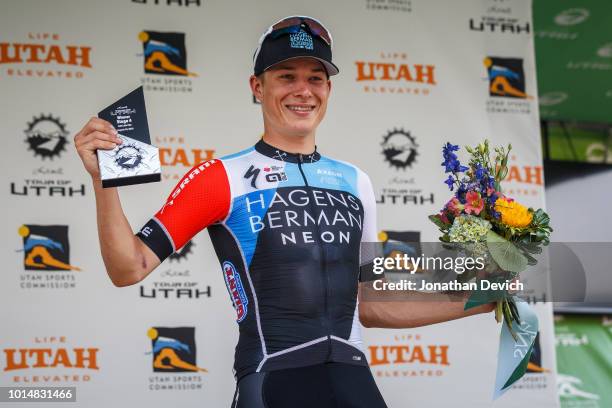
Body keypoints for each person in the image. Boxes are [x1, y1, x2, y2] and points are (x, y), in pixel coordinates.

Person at [74, 16, 494, 408]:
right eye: (286, 77)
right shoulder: (220, 176)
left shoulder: (356, 181)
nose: (303, 90)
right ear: (257, 86)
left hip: (354, 382)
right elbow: (128, 267)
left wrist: (489, 296)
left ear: (329, 90)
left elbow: (370, 305)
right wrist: (101, 181)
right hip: (274, 382)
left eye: (316, 78)